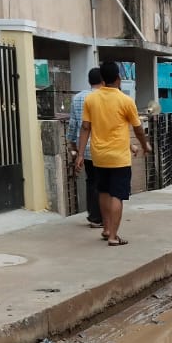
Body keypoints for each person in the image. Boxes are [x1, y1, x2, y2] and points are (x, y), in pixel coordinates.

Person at [75, 60, 149, 246]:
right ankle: (113, 236)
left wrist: (80, 154)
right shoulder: (125, 100)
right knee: (118, 194)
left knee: (103, 191)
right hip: (119, 157)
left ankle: (106, 228)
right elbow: (138, 129)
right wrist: (144, 144)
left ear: (102, 78)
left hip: (99, 156)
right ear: (118, 78)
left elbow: (85, 128)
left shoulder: (91, 99)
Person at [67, 67, 103, 228]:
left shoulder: (78, 98)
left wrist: (73, 147)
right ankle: (102, 217)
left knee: (91, 180)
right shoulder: (104, 97)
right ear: (103, 80)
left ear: (90, 81)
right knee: (103, 182)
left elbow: (73, 124)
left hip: (84, 148)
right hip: (102, 146)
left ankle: (93, 216)